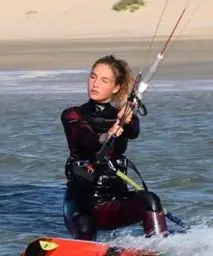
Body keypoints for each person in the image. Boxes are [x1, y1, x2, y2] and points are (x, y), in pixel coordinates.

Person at [61, 55, 168, 241]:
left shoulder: (122, 115)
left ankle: (161, 250)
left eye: (104, 80)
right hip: (81, 204)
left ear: (116, 87)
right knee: (85, 225)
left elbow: (134, 131)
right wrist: (106, 135)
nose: (95, 84)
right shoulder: (72, 114)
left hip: (113, 202)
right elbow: (86, 138)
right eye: (93, 77)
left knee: (150, 200)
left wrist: (128, 120)